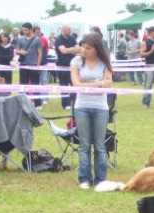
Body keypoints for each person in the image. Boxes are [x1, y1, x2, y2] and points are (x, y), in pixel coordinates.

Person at [70, 32, 113, 189]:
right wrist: (99, 84)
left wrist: (98, 84)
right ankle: (85, 179)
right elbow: (76, 84)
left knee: (100, 146)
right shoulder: (76, 62)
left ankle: (101, 180)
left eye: (87, 48)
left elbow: (108, 84)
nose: (83, 49)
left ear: (96, 49)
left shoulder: (105, 63)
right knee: (84, 145)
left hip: (100, 108)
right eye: (83, 46)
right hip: (81, 107)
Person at [16, 22, 43, 108]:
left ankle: (37, 103)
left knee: (35, 84)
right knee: (23, 84)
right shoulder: (20, 39)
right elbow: (16, 51)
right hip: (23, 65)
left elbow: (40, 53)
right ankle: (24, 102)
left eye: (26, 30)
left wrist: (38, 65)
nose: (24, 31)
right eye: (23, 30)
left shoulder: (37, 39)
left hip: (34, 65)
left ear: (30, 29)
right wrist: (21, 52)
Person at [55, 24, 81, 110]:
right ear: (64, 30)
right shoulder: (59, 39)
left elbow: (78, 49)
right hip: (62, 65)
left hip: (73, 66)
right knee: (64, 86)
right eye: (69, 29)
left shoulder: (72, 38)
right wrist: (72, 49)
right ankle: (65, 104)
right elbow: (63, 51)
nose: (70, 31)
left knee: (74, 84)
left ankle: (74, 102)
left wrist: (70, 49)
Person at [34, 26, 49, 104]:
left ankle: (45, 99)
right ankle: (36, 99)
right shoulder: (32, 40)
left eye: (39, 32)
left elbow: (46, 50)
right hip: (33, 64)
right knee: (35, 82)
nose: (38, 33)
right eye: (36, 32)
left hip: (43, 63)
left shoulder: (44, 39)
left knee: (44, 80)